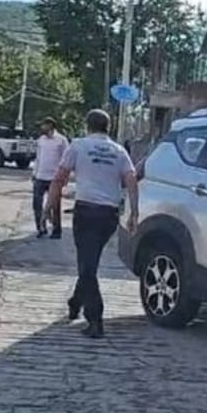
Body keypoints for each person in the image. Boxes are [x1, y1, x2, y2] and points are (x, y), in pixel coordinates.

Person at [46, 109, 138, 338]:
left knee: (87, 267)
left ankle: (95, 319)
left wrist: (49, 206)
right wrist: (134, 212)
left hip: (86, 212)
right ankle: (75, 302)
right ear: (109, 126)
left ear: (88, 125)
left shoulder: (78, 146)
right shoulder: (119, 151)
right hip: (108, 215)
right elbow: (131, 179)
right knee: (89, 263)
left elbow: (59, 178)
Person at [31, 116, 69, 238]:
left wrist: (64, 177)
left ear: (50, 125)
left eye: (43, 125)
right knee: (37, 203)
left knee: (55, 205)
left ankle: (56, 230)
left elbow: (66, 159)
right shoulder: (41, 140)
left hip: (54, 178)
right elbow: (38, 158)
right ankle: (40, 228)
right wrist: (34, 173)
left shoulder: (61, 140)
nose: (42, 128)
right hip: (40, 176)